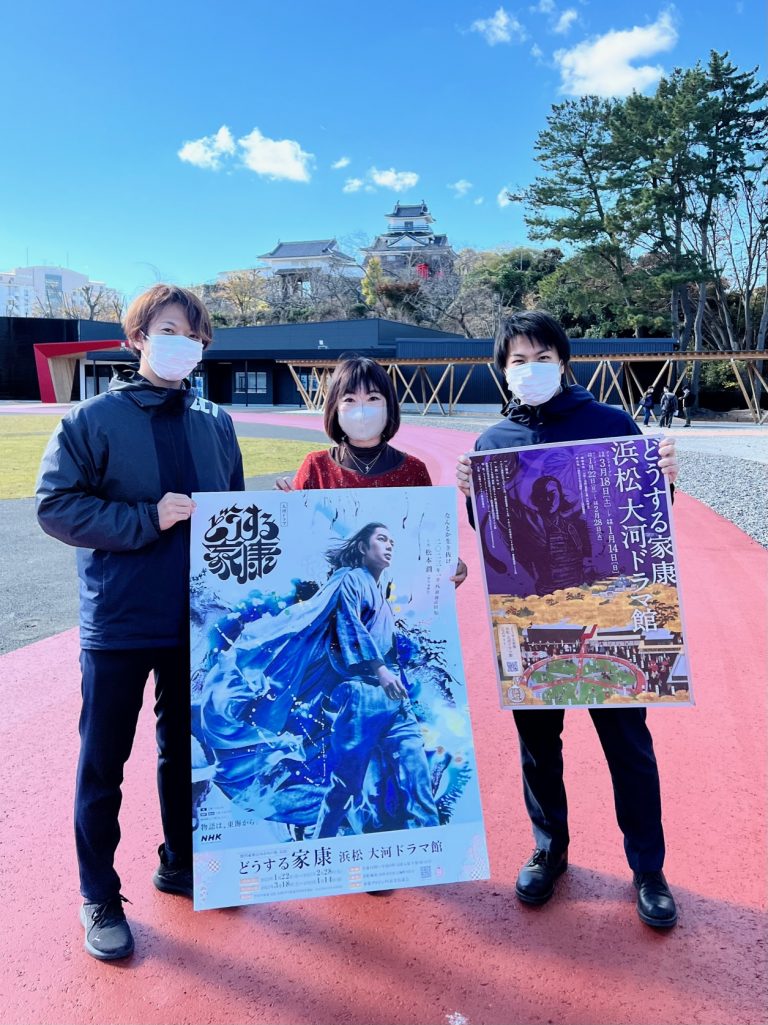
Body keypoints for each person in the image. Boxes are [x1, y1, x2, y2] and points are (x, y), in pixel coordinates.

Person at [36, 285, 244, 961]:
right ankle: (98, 893)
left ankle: (181, 860)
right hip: (121, 617)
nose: (184, 344)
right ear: (137, 339)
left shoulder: (216, 421)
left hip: (198, 619)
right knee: (104, 761)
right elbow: (56, 506)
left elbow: (235, 514)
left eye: (195, 335)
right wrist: (146, 518)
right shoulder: (91, 420)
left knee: (188, 750)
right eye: (169, 330)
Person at [456, 310, 680, 930]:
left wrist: (662, 478)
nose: (530, 370)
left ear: (563, 362)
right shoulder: (492, 442)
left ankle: (649, 868)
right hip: (530, 619)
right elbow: (494, 539)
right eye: (518, 361)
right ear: (502, 370)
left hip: (608, 613)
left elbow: (642, 519)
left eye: (542, 357)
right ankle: (549, 849)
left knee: (628, 744)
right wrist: (473, 496)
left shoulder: (610, 424)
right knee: (538, 744)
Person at [200, 522, 440, 841]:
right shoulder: (352, 579)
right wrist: (381, 670)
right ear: (362, 548)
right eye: (382, 539)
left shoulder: (376, 589)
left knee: (414, 766)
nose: (389, 546)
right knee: (347, 786)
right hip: (362, 693)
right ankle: (323, 839)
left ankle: (431, 836)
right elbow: (349, 625)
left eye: (392, 541)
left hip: (392, 697)